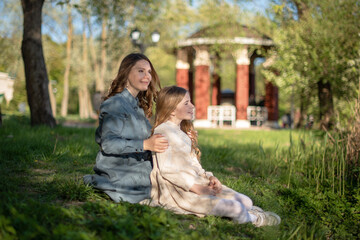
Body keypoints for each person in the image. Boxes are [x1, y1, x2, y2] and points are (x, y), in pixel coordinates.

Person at [149, 86, 281, 227]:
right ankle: (253, 219)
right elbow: (167, 170)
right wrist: (197, 188)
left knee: (246, 201)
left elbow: (193, 162)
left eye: (191, 102)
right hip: (180, 191)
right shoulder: (163, 132)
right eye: (186, 103)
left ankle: (248, 212)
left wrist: (209, 177)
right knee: (235, 208)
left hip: (197, 182)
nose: (192, 106)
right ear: (172, 109)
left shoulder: (181, 132)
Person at [84, 53, 169, 203]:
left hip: (140, 170)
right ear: (126, 73)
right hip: (121, 173)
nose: (147, 76)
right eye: (141, 71)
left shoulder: (138, 107)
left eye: (149, 72)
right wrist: (146, 144)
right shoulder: (115, 104)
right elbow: (109, 144)